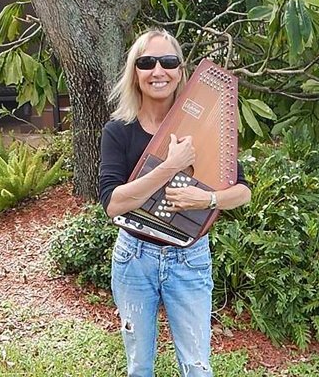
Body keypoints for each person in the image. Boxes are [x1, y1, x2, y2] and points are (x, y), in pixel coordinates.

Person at [99, 29, 251, 377]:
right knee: (139, 366)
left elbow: (243, 191)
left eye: (168, 62)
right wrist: (170, 166)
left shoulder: (201, 126)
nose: (158, 71)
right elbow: (113, 203)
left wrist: (207, 197)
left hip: (190, 258)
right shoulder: (118, 131)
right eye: (146, 62)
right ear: (134, 72)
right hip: (134, 258)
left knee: (197, 367)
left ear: (180, 70)